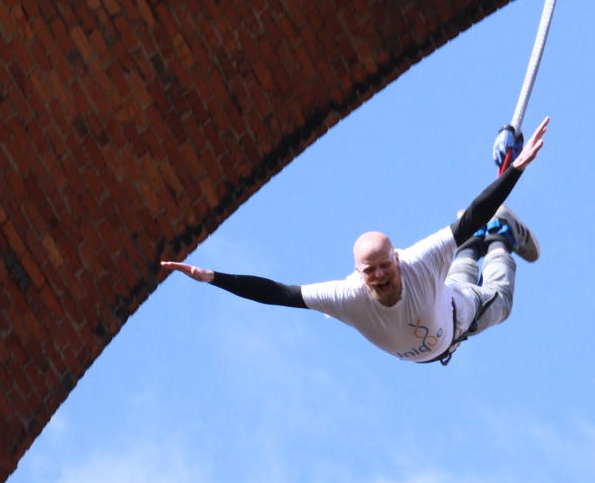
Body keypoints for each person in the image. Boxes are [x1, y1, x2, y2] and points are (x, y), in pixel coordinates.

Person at [161, 116, 549, 365]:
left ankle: (501, 239)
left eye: (384, 266)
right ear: (359, 273)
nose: (380, 275)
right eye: (371, 271)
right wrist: (212, 277)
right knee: (457, 266)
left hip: (462, 315)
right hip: (443, 306)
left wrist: (514, 170)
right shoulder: (347, 295)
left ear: (396, 259)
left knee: (499, 297)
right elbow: (277, 293)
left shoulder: (417, 260)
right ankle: (485, 239)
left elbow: (475, 213)